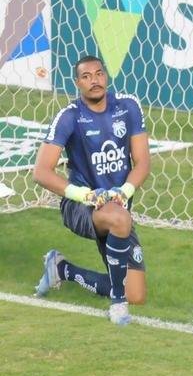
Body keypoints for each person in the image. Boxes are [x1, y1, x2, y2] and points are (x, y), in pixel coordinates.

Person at [32, 54, 150, 326]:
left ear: (106, 77)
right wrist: (85, 195)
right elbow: (41, 171)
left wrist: (125, 190)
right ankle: (118, 306)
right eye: (86, 77)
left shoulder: (128, 107)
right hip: (80, 206)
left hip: (117, 205)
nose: (94, 81)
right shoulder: (69, 117)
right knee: (120, 219)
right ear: (78, 84)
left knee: (138, 294)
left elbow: (143, 162)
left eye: (98, 74)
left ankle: (61, 269)